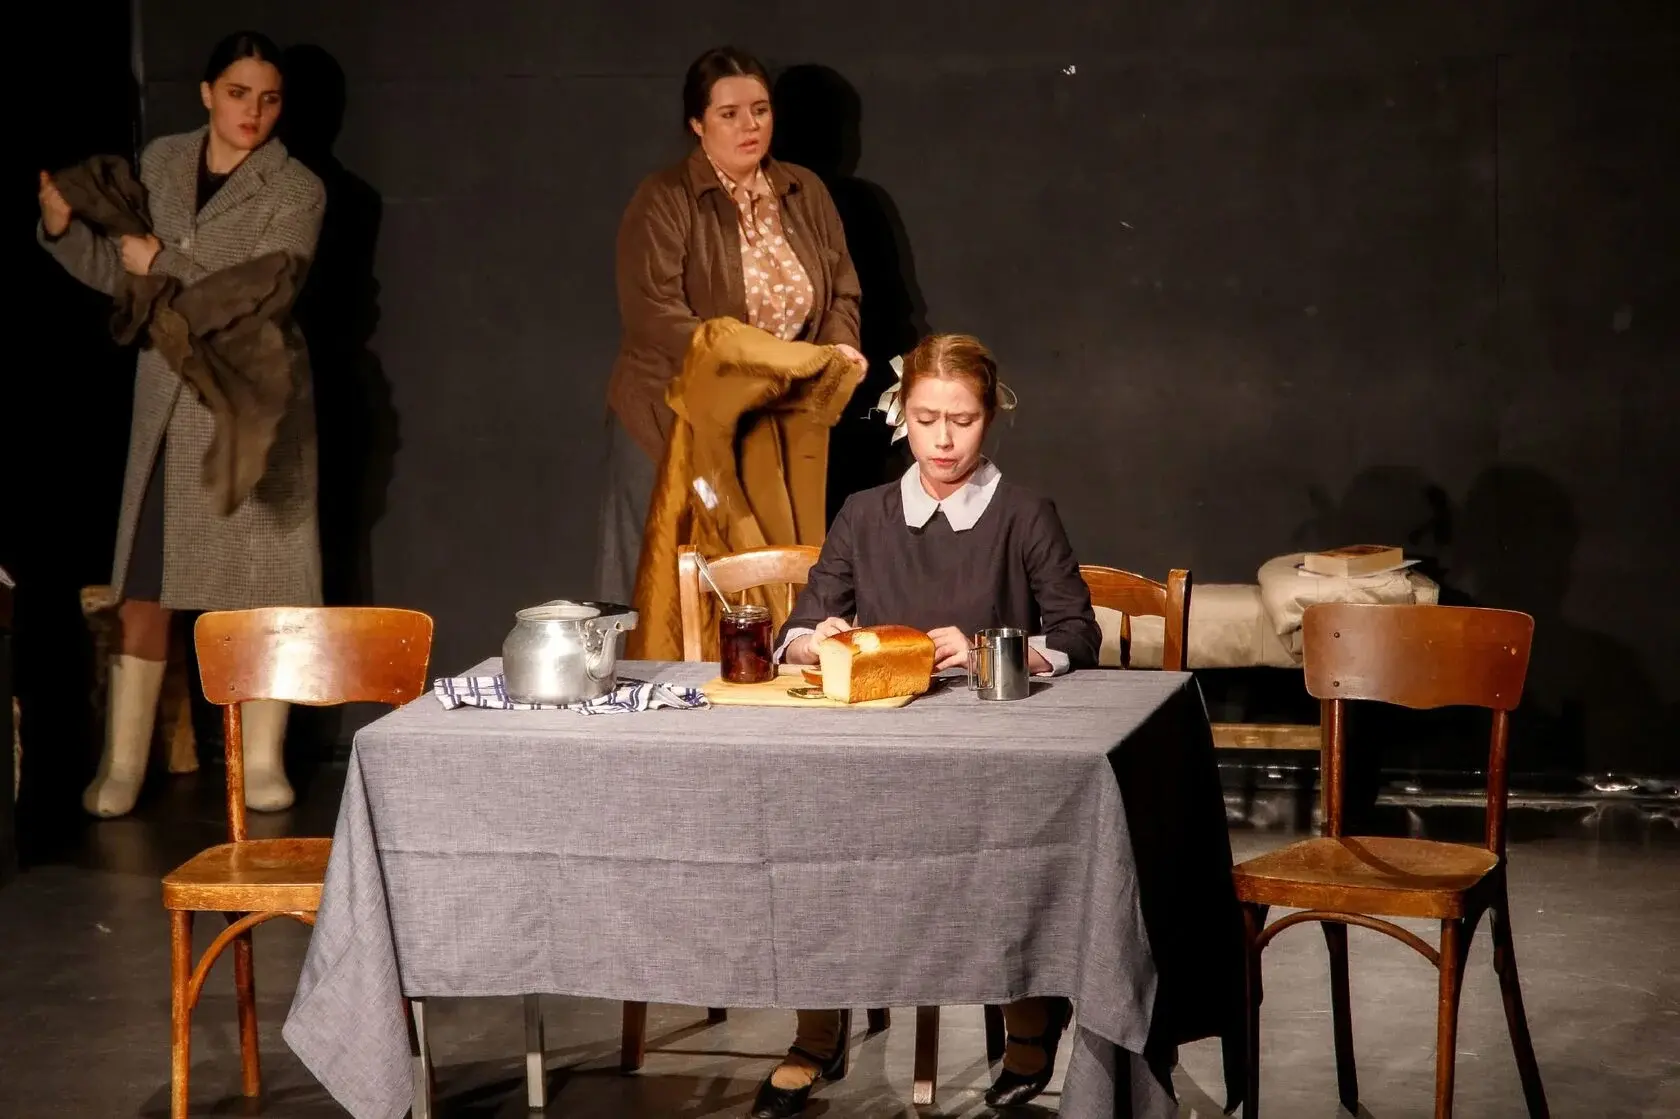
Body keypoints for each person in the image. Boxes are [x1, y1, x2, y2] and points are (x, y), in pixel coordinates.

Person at [756, 333, 1102, 1117]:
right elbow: (798, 630)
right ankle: (818, 1029)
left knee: (1001, 846)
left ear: (990, 418)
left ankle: (1029, 1014)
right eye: (926, 419)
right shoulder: (865, 513)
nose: (943, 440)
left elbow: (1076, 635)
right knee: (810, 832)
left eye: (962, 420)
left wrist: (986, 648)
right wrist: (819, 638)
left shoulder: (1022, 514)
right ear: (900, 415)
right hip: (880, 748)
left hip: (989, 752)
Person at [37, 30, 326, 818]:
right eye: (237, 94)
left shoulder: (295, 188)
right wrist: (64, 231)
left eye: (268, 99)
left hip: (247, 401)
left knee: (261, 589)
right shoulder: (164, 160)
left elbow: (263, 294)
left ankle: (261, 759)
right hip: (168, 400)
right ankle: (123, 764)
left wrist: (162, 259)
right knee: (145, 589)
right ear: (206, 93)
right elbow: (124, 273)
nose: (252, 112)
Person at [597, 45, 866, 606]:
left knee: (766, 580)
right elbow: (655, 314)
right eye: (729, 113)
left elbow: (842, 290)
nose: (750, 126)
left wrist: (839, 346)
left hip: (775, 419)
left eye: (760, 110)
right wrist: (759, 364)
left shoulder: (804, 192)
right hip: (673, 418)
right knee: (662, 586)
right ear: (697, 124)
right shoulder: (666, 198)